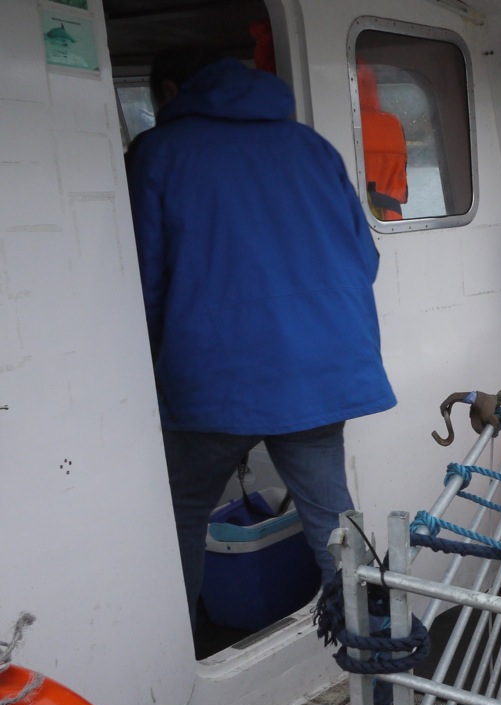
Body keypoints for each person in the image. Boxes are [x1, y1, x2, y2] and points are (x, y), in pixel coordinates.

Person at [128, 50, 397, 629]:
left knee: (182, 512)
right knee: (333, 517)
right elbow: (365, 260)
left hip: (213, 374)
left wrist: (149, 364)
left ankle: (182, 649)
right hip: (322, 368)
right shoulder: (313, 148)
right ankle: (377, 653)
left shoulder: (158, 152)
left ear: (171, 90)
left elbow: (142, 285)